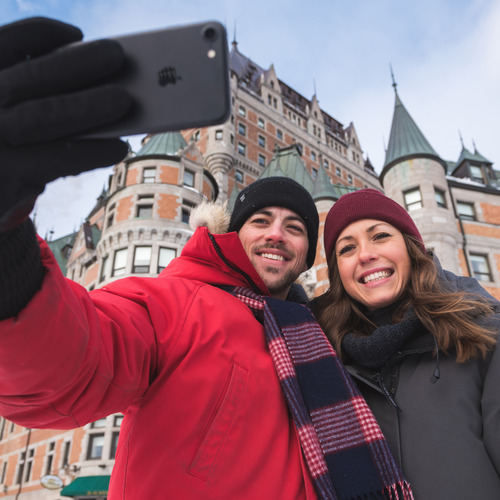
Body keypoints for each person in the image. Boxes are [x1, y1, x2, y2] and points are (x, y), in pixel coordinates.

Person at [0, 16, 415, 500]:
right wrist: (9, 252)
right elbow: (75, 362)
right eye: (260, 221)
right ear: (232, 234)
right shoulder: (173, 302)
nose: (276, 234)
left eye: (295, 227)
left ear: (307, 256)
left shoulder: (320, 335)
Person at [312, 188, 500, 500]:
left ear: (411, 248)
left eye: (380, 236)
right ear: (337, 273)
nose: (365, 254)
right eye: (347, 248)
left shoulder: (485, 334)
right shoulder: (323, 362)